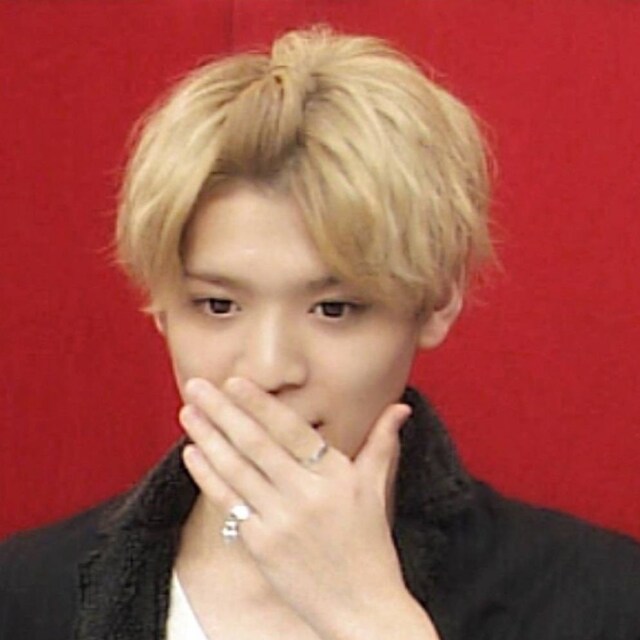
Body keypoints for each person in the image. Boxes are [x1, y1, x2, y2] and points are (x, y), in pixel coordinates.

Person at [1, 25, 639, 640]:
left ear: (437, 302)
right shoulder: (25, 595)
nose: (268, 368)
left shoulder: (602, 598)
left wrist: (370, 617)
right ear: (161, 307)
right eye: (218, 305)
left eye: (334, 309)